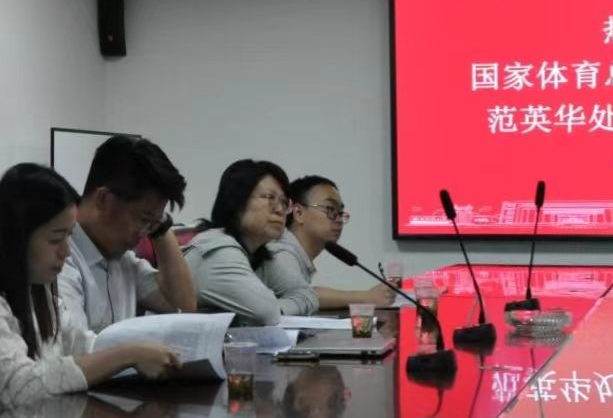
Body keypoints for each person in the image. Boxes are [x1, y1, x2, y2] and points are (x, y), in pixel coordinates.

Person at [0, 164, 180, 408]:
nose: (65, 251)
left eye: (69, 236)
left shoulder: (41, 297)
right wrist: (127, 355)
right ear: (15, 239)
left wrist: (148, 351)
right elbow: (20, 386)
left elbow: (82, 345)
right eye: (56, 238)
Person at [58, 136, 196, 332]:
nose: (145, 232)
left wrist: (161, 227)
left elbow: (184, 309)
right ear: (104, 199)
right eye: (144, 219)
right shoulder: (60, 259)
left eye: (153, 223)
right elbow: (74, 345)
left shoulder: (125, 260)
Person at [182, 160, 317, 325]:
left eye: (284, 202)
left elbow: (307, 296)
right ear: (236, 201)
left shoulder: (259, 253)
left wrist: (277, 309)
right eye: (269, 198)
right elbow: (266, 313)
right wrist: (275, 309)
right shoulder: (218, 251)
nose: (280, 210)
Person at [259, 175, 393, 311]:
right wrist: (366, 297)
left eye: (340, 212)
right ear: (298, 213)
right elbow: (305, 295)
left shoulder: (293, 252)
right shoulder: (281, 254)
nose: (339, 219)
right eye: (330, 209)